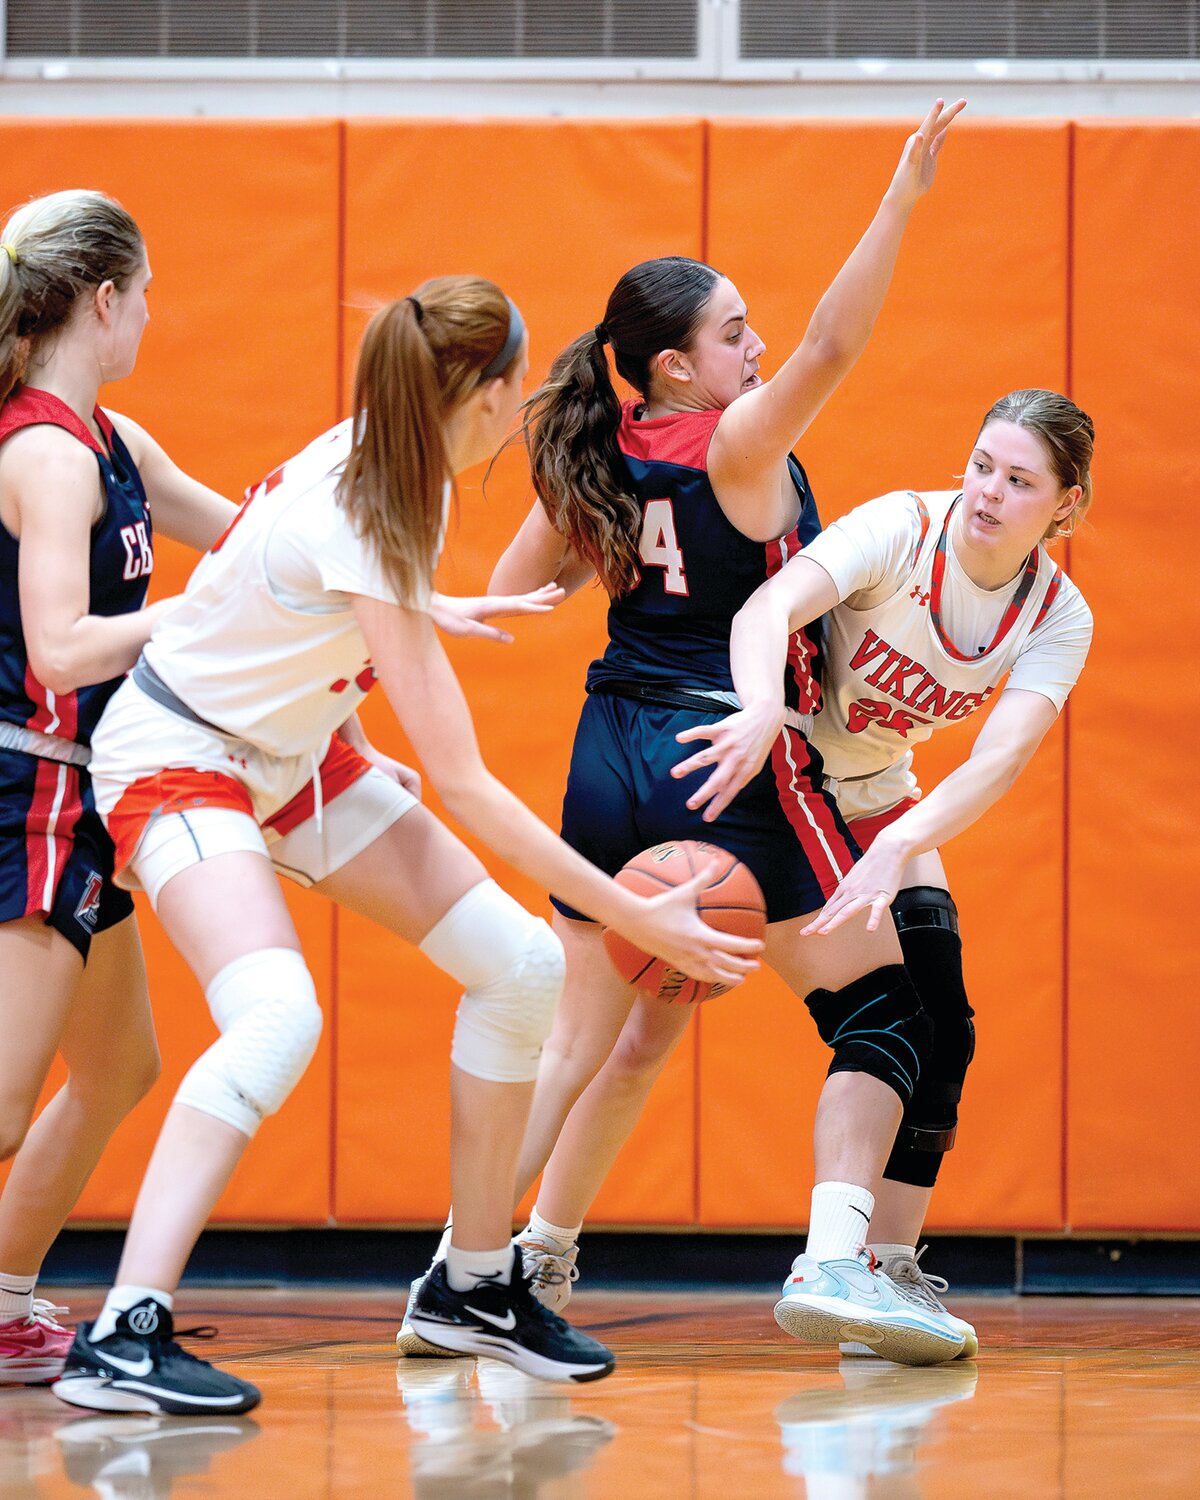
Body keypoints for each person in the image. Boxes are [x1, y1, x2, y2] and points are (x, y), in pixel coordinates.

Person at [50, 276, 761, 1418]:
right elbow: (470, 786)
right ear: (480, 395)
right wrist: (632, 916)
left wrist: (361, 715)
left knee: (522, 971)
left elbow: (283, 607)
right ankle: (126, 1331)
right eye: (514, 381)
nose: (525, 398)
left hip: (293, 752)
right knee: (277, 1017)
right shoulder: (371, 507)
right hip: (180, 752)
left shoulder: (398, 467)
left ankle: (471, 1285)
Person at [405, 101, 967, 1369]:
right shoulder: (740, 441)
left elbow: (522, 589)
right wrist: (901, 201)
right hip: (726, 754)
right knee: (892, 1018)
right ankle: (846, 1265)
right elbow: (835, 340)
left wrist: (411, 624)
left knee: (609, 1033)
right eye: (731, 333)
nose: (757, 346)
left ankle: (492, 1260)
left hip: (611, 750)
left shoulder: (596, 448)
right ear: (674, 364)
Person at [676, 387, 1094, 1356]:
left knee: (946, 1024)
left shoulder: (1056, 616)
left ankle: (886, 1275)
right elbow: (771, 604)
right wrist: (754, 709)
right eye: (982, 464)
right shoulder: (904, 530)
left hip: (874, 790)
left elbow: (996, 763)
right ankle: (826, 1258)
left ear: (1064, 508)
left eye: (1019, 480)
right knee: (862, 1016)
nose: (988, 491)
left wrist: (899, 844)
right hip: (782, 770)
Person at [0, 189, 237, 1385]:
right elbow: (56, 648)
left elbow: (244, 542)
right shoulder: (43, 452)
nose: (152, 313)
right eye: (144, 293)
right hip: (24, 787)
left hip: (84, 796)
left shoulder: (117, 443)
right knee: (0, 1105)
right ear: (104, 298)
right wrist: (182, 617)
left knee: (120, 1066)